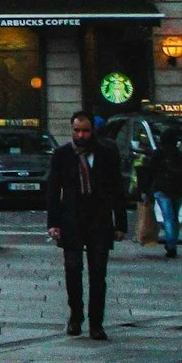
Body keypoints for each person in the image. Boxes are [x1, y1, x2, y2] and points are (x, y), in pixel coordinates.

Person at [45, 111, 127, 339]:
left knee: (98, 273)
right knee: (72, 270)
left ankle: (96, 322)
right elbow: (53, 189)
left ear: (93, 131)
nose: (81, 135)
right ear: (71, 130)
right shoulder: (62, 154)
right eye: (77, 131)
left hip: (99, 220)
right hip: (71, 220)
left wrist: (120, 223)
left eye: (85, 131)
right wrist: (53, 223)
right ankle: (76, 315)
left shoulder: (107, 153)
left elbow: (117, 189)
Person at [142, 133, 182, 258]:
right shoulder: (179, 154)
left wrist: (145, 190)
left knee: (168, 217)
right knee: (174, 217)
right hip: (178, 190)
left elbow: (150, 171)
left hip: (162, 189)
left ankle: (171, 245)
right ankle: (173, 242)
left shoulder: (158, 153)